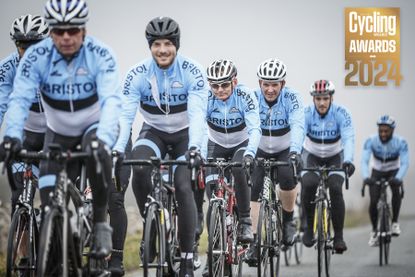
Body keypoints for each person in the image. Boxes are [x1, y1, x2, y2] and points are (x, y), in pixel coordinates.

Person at [1, 0, 122, 258]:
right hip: (56, 133)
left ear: (84, 30)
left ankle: (100, 222)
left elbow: (112, 101)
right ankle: (55, 255)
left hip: (92, 125)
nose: (66, 37)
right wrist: (11, 136)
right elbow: (19, 99)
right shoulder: (35, 56)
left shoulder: (101, 54)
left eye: (73, 30)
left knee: (98, 156)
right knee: (48, 205)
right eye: (58, 30)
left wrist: (104, 138)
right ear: (51, 32)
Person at [112, 16, 208, 276]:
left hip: (186, 135)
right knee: (140, 169)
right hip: (153, 131)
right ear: (150, 46)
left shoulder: (192, 71)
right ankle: (153, 225)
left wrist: (196, 148)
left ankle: (187, 258)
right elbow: (126, 117)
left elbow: (198, 115)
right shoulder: (137, 74)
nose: (162, 49)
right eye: (157, 44)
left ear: (176, 45)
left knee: (182, 183)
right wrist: (119, 149)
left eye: (168, 43)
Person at [201, 59, 261, 276]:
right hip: (215, 143)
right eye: (215, 85)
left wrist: (250, 154)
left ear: (234, 81)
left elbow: (255, 128)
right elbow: (198, 125)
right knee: (212, 199)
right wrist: (198, 153)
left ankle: (244, 219)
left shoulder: (245, 95)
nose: (220, 90)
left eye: (225, 85)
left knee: (238, 168)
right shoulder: (206, 97)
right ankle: (213, 254)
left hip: (240, 143)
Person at [245, 58, 305, 265]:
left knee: (288, 177)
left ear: (283, 84)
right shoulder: (252, 98)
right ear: (259, 83)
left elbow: (298, 126)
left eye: (275, 84)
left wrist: (295, 152)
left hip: (285, 149)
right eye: (266, 84)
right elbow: (247, 127)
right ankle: (253, 242)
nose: (270, 89)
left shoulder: (293, 98)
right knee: (253, 189)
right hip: (260, 149)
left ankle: (288, 221)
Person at [0, 14, 49, 216]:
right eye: (22, 46)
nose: (28, 53)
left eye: (34, 47)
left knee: (51, 196)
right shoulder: (8, 67)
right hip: (26, 135)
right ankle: (22, 243)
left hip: (54, 134)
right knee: (18, 197)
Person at [301, 80, 355, 254]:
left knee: (335, 188)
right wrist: (294, 154)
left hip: (335, 156)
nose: (322, 103)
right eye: (318, 99)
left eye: (325, 98)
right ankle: (309, 226)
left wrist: (349, 160)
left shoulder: (341, 113)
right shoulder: (306, 113)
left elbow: (348, 138)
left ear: (331, 98)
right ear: (313, 99)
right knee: (308, 184)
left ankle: (338, 236)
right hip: (312, 154)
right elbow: (299, 134)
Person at [361, 115, 409, 246]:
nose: (383, 134)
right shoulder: (371, 141)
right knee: (373, 200)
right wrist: (366, 177)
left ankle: (394, 222)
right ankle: (374, 231)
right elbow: (364, 161)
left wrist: (398, 178)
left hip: (394, 170)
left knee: (396, 191)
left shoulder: (401, 142)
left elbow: (405, 163)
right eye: (380, 131)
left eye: (386, 131)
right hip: (377, 171)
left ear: (392, 130)